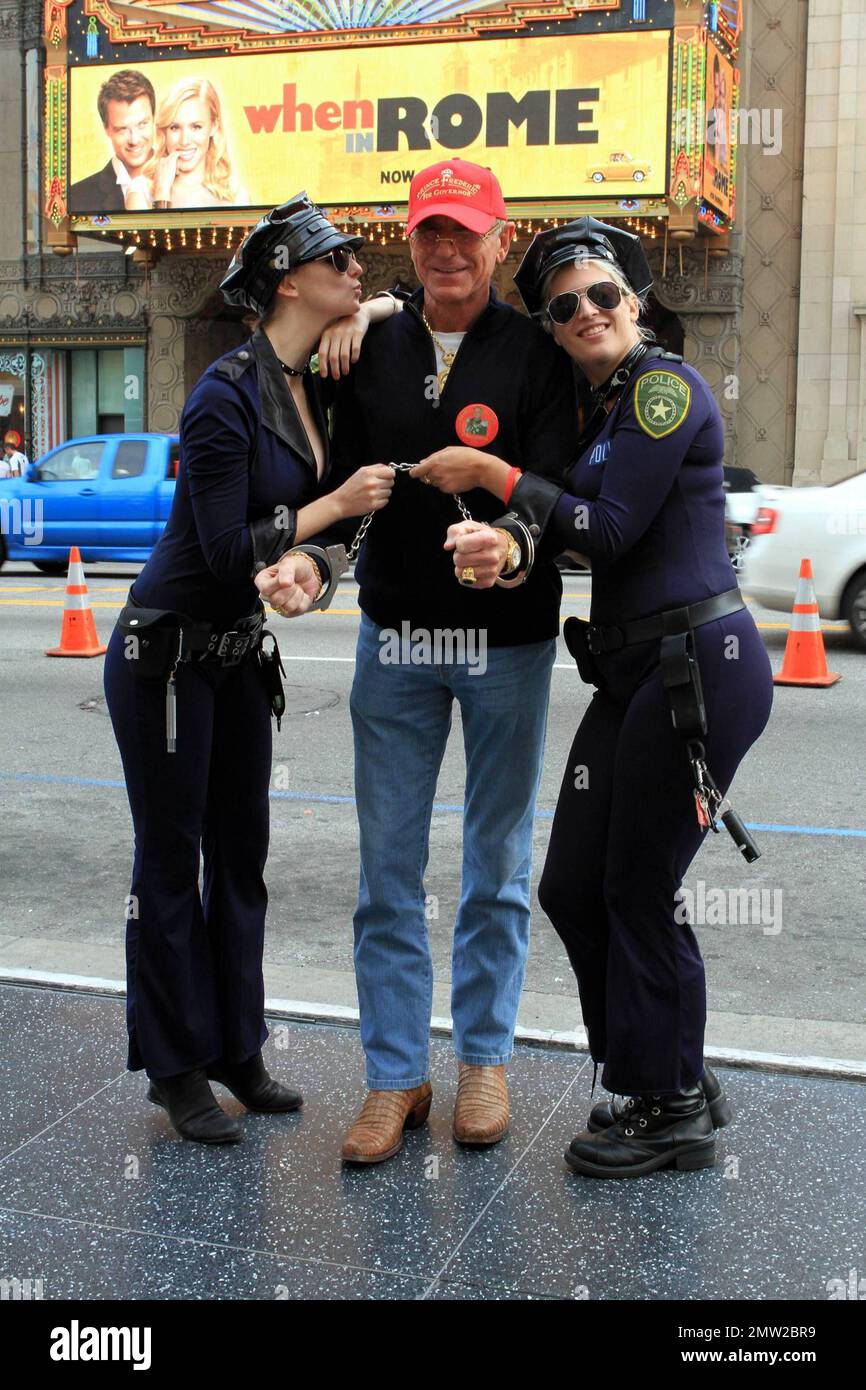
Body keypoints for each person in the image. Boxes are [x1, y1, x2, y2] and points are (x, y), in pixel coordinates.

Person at [440, 216, 774, 1177]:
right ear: (548, 325)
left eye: (601, 295)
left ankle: (667, 1104)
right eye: (563, 304)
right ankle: (664, 1063)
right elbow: (574, 525)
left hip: (695, 667)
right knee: (571, 887)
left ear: (635, 302)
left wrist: (498, 478)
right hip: (636, 673)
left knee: (637, 888)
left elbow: (613, 528)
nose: (585, 312)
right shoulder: (600, 407)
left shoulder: (662, 390)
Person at [258, 158, 576, 1164]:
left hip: (508, 645)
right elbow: (342, 493)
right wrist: (312, 559)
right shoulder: (368, 347)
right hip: (393, 641)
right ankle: (395, 1072)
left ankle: (482, 1056)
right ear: (411, 238)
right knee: (387, 872)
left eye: (464, 232)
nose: (446, 249)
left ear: (498, 240)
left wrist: (512, 545)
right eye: (428, 232)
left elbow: (562, 499)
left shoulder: (538, 354)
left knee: (494, 866)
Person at [103, 194, 397, 1144]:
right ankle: (174, 1065)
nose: (357, 266)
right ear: (287, 280)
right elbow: (227, 550)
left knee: (242, 861)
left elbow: (401, 312)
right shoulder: (223, 393)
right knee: (169, 861)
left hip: (234, 662)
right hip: (168, 657)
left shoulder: (321, 379)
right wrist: (330, 508)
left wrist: (369, 311)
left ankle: (237, 1045)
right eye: (338, 258)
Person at [127, 78, 247, 211]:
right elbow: (157, 232)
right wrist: (162, 193)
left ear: (213, 126)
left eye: (196, 127)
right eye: (174, 127)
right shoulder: (140, 191)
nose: (184, 141)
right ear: (164, 131)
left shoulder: (236, 196)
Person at [69, 69, 155, 214]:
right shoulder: (76, 197)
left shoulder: (189, 181)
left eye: (142, 124)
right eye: (122, 129)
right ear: (106, 129)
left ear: (154, 118)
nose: (134, 139)